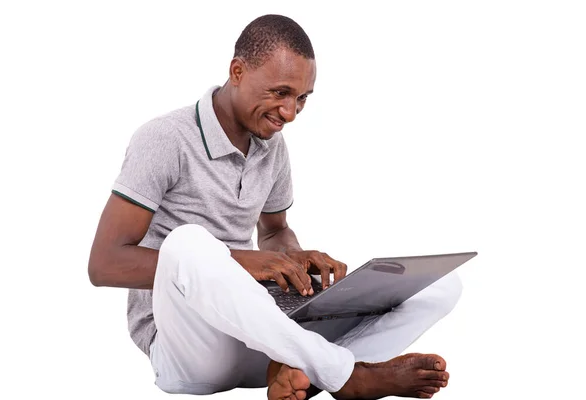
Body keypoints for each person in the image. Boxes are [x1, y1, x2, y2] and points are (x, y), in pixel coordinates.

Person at [88, 14, 462, 400]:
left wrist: (295, 258)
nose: (289, 113)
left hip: (260, 336)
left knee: (439, 286)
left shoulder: (272, 147)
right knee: (187, 243)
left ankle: (299, 373)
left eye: (301, 99)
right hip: (190, 352)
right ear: (237, 72)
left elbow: (273, 231)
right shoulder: (165, 138)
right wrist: (238, 260)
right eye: (280, 93)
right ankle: (346, 376)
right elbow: (103, 264)